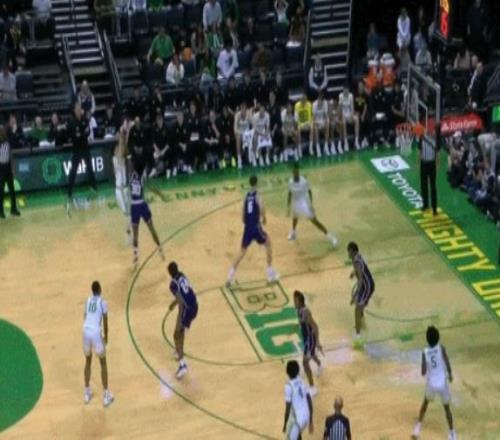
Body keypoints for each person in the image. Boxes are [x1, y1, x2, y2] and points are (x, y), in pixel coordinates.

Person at [226, 175, 279, 285]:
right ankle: (270, 274)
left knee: (242, 251)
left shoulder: (246, 196)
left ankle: (230, 276)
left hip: (247, 227)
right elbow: (261, 207)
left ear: (249, 183)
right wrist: (264, 217)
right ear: (256, 183)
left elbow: (243, 214)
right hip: (255, 226)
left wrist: (247, 223)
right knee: (268, 243)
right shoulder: (257, 195)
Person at [412, 326, 456, 440]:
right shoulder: (441, 348)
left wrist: (425, 366)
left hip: (431, 384)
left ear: (427, 339)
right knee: (447, 408)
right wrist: (450, 374)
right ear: (438, 338)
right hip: (442, 384)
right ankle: (452, 433)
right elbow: (447, 361)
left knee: (425, 404)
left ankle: (417, 429)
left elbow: (423, 372)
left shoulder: (425, 352)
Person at [287, 163, 338, 246]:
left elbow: (309, 192)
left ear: (298, 171)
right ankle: (293, 232)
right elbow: (289, 193)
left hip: (304, 203)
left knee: (315, 221)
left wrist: (310, 204)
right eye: (293, 170)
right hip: (295, 202)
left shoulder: (304, 181)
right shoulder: (290, 182)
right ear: (292, 171)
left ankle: (330, 237)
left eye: (296, 170)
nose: (295, 172)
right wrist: (288, 206)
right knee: (295, 217)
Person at [82, 281, 114, 407]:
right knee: (103, 362)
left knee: (88, 361)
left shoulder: (87, 300)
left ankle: (86, 392)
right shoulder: (102, 302)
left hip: (85, 330)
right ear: (100, 289)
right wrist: (106, 336)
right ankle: (106, 395)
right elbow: (105, 321)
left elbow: (85, 317)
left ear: (92, 290)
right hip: (95, 332)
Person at [129, 158, 165, 268]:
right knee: (152, 228)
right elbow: (151, 188)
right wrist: (160, 194)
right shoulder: (142, 177)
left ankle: (135, 257)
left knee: (135, 234)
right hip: (142, 205)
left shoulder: (130, 175)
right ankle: (160, 249)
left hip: (134, 206)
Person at [167, 261, 199, 379]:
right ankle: (179, 351)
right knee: (181, 332)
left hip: (187, 309)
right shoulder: (182, 275)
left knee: (176, 335)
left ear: (169, 273)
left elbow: (181, 303)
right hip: (195, 306)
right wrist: (173, 303)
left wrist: (178, 321)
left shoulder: (173, 285)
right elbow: (183, 295)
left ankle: (183, 366)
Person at [66, 103, 97, 207]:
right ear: (74, 111)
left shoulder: (85, 120)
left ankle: (94, 187)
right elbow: (71, 136)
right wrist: (79, 135)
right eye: (77, 109)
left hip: (85, 147)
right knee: (73, 170)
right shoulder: (71, 122)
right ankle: (69, 192)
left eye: (80, 108)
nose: (79, 110)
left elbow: (87, 132)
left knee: (90, 168)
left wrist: (80, 135)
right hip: (77, 149)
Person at [293, 290, 321, 396]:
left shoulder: (305, 312)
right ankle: (319, 364)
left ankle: (312, 387)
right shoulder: (299, 310)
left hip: (310, 340)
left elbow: (315, 326)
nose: (294, 303)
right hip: (306, 339)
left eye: (295, 301)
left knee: (305, 363)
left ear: (300, 302)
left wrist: (317, 342)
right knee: (312, 355)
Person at [347, 241, 374, 348]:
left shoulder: (356, 261)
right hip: (364, 286)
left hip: (367, 286)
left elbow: (361, 281)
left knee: (357, 308)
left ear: (352, 251)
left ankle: (358, 335)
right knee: (359, 307)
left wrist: (354, 296)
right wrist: (354, 273)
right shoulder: (357, 258)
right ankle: (361, 323)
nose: (348, 253)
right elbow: (360, 269)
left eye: (349, 251)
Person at [283, 360, 314, 440]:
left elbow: (287, 408)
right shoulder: (302, 381)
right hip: (306, 416)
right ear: (298, 371)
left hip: (298, 420)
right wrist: (311, 421)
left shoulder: (288, 386)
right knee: (297, 434)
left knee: (289, 437)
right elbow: (309, 400)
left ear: (287, 372)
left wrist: (285, 424)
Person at [114, 119, 131, 243]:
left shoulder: (120, 156)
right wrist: (122, 132)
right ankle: (127, 235)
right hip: (120, 191)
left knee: (129, 213)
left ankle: (128, 233)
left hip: (124, 189)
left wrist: (127, 131)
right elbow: (121, 147)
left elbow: (124, 146)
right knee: (127, 214)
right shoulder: (117, 159)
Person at [418, 125, 440, 215]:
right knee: (424, 185)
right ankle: (425, 205)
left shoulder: (435, 139)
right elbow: (420, 151)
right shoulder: (422, 137)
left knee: (433, 186)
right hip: (424, 163)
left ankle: (434, 208)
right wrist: (418, 163)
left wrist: (437, 165)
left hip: (431, 163)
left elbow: (437, 153)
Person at [0, 125, 20, 219]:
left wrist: (13, 169)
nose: (2, 132)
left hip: (8, 167)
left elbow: (11, 155)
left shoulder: (8, 142)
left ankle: (13, 209)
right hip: (1, 168)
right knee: (1, 191)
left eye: (2, 130)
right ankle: (1, 211)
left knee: (12, 190)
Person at [339, 84, 360, 151]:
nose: (346, 91)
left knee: (356, 119)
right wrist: (342, 117)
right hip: (343, 116)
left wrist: (351, 116)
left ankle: (356, 141)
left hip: (349, 115)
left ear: (348, 90)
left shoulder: (351, 96)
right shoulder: (341, 96)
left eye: (347, 90)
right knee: (344, 122)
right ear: (343, 90)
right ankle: (346, 143)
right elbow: (340, 108)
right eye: (345, 90)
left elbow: (352, 107)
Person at [233, 101, 253, 168]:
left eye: (244, 108)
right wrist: (242, 133)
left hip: (248, 134)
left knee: (255, 136)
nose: (243, 110)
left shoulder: (249, 114)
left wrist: (250, 117)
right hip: (240, 134)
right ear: (240, 109)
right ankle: (239, 159)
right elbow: (235, 129)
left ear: (246, 109)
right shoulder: (237, 115)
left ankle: (253, 158)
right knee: (238, 138)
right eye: (242, 108)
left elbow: (254, 125)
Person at [312, 91, 330, 157]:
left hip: (323, 122)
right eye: (319, 99)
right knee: (316, 128)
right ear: (318, 99)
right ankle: (318, 148)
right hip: (316, 122)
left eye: (322, 99)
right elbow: (313, 118)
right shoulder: (314, 104)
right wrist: (317, 123)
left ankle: (326, 147)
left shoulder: (325, 103)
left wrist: (324, 123)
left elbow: (326, 116)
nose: (321, 101)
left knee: (327, 125)